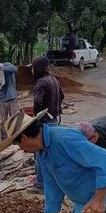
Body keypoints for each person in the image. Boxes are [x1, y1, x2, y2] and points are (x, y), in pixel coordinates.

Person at [30, 55, 64, 193]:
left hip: (44, 123)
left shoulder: (41, 82)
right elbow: (61, 96)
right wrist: (55, 108)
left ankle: (40, 184)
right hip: (54, 121)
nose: (32, 70)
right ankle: (52, 181)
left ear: (37, 68)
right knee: (50, 153)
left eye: (33, 67)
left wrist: (36, 118)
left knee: (40, 153)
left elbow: (38, 102)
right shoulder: (53, 79)